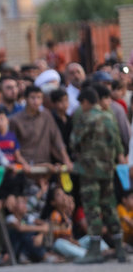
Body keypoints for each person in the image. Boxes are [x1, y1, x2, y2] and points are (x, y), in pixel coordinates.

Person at [71, 87, 127, 263]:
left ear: (86, 102)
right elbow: (117, 141)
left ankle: (95, 251)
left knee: (92, 209)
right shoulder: (109, 116)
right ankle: (120, 249)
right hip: (108, 169)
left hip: (90, 171)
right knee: (109, 206)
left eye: (82, 103)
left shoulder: (85, 118)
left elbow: (74, 142)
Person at [9, 86, 72, 168]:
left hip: (46, 164)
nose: (36, 101)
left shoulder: (46, 115)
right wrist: (23, 163)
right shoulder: (15, 120)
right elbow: (12, 145)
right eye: (32, 98)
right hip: (25, 165)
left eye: (39, 98)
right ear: (26, 99)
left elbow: (57, 139)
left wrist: (66, 159)